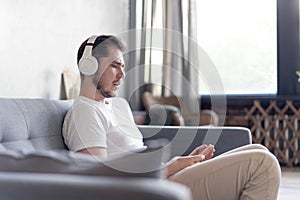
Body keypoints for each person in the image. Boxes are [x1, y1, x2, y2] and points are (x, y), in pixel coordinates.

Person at [63, 35, 281, 200]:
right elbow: (97, 181)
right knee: (263, 164)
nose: (122, 75)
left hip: (157, 179)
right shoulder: (84, 112)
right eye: (115, 66)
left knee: (259, 151)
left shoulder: (116, 106)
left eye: (123, 67)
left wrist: (180, 164)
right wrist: (173, 166)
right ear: (88, 66)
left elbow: (135, 160)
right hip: (143, 192)